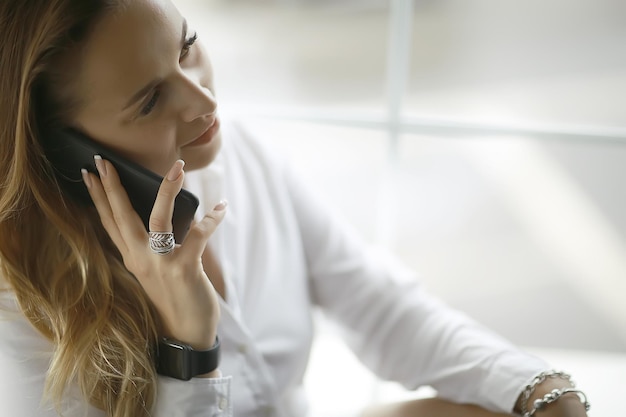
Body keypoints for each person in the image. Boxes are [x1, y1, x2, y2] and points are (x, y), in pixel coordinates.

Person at [0, 1, 591, 416]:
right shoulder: (20, 316)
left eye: (187, 48)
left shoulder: (240, 159)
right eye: (152, 99)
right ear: (60, 146)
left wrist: (536, 386)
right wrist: (189, 347)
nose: (204, 98)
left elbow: (381, 306)